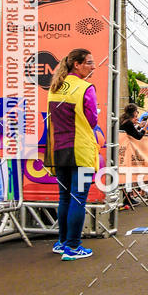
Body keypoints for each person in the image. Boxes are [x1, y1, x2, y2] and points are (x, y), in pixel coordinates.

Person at [44, 48, 98, 260]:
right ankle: (73, 247)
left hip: (59, 150)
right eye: (89, 63)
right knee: (79, 198)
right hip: (81, 151)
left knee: (65, 197)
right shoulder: (86, 88)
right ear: (77, 64)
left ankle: (62, 242)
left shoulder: (55, 87)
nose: (93, 67)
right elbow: (92, 120)